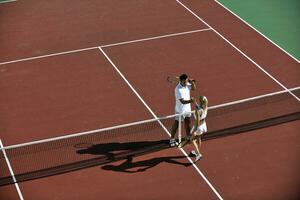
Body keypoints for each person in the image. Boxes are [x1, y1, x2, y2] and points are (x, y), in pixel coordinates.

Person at [170, 74, 196, 147]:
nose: (185, 83)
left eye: (186, 81)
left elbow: (194, 88)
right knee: (177, 123)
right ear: (180, 81)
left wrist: (192, 83)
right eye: (184, 81)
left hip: (187, 109)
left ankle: (188, 137)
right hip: (180, 110)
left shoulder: (187, 84)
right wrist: (191, 101)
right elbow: (182, 101)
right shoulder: (178, 89)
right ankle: (172, 139)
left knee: (188, 122)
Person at [188, 96, 208, 162]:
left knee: (192, 139)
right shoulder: (205, 107)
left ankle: (198, 154)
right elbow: (199, 108)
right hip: (204, 126)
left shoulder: (197, 111)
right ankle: (196, 151)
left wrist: (194, 131)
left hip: (199, 127)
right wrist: (194, 102)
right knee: (198, 138)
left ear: (201, 101)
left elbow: (197, 122)